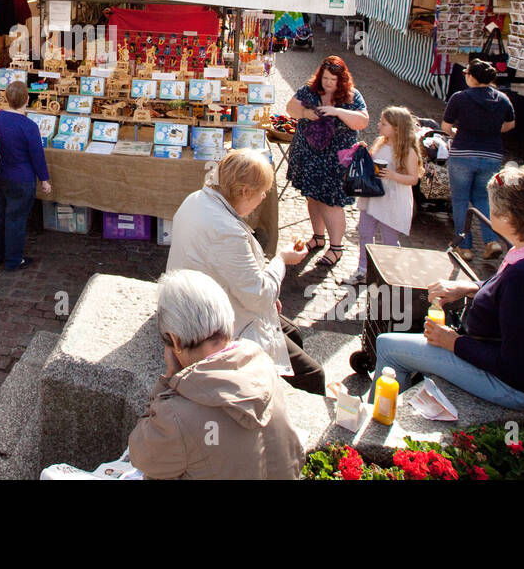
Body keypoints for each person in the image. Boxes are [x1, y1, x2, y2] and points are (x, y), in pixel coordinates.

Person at [370, 163, 524, 411]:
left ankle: (376, 421)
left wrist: (453, 342)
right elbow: (512, 293)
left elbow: (519, 371)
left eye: (491, 206)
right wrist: (469, 287)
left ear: (508, 219)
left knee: (388, 346)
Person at [167, 149, 324, 395]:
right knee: (314, 375)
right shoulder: (226, 231)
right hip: (208, 324)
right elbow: (258, 297)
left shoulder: (196, 199)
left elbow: (237, 274)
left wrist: (267, 294)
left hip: (197, 302)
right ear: (244, 192)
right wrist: (282, 260)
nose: (264, 197)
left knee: (292, 332)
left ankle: (277, 391)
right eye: (262, 191)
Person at [127, 270, 305, 479]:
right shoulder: (263, 365)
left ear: (175, 341)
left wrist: (167, 382)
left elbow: (140, 455)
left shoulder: (176, 414)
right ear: (229, 323)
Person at [284, 54, 370, 267]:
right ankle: (318, 236)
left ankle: (336, 247)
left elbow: (362, 122)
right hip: (309, 155)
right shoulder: (310, 90)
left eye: (333, 80)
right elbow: (290, 108)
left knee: (331, 202)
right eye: (325, 79)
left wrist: (337, 112)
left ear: (342, 80)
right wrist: (306, 113)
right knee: (312, 197)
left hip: (335, 160)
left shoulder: (351, 96)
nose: (328, 83)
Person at [441, 58, 516, 260]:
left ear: (472, 77)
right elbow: (510, 125)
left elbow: (446, 127)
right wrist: (491, 131)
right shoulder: (502, 99)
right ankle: (491, 241)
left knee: (460, 200)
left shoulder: (460, 98)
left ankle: (464, 246)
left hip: (463, 153)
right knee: (483, 198)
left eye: (467, 74)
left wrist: (457, 133)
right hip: (491, 154)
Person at [0, 81, 52, 270]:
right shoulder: (29, 126)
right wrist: (44, 180)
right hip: (20, 179)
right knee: (15, 219)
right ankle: (13, 260)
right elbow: (37, 156)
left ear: (6, 98)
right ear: (27, 99)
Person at [347, 107, 423, 285]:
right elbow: (372, 163)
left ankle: (389, 274)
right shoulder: (380, 142)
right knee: (365, 232)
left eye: (384, 124)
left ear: (396, 128)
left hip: (392, 199)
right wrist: (363, 153)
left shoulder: (407, 151)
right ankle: (363, 269)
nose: (379, 126)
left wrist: (393, 175)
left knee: (389, 239)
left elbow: (413, 178)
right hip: (373, 196)